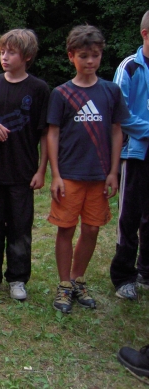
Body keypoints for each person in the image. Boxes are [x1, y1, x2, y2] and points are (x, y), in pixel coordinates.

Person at [47, 25, 128, 314]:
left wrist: (113, 172)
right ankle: (63, 285)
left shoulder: (111, 91)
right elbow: (52, 134)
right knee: (66, 228)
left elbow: (117, 131)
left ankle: (77, 279)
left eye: (95, 55)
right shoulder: (61, 93)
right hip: (69, 174)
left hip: (100, 174)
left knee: (92, 228)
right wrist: (55, 174)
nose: (90, 61)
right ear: (71, 56)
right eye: (83, 56)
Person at [0, 29, 49, 301]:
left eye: (12, 52)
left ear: (27, 56)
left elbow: (45, 133)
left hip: (22, 173)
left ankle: (18, 278)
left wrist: (41, 170)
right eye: (2, 52)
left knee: (20, 229)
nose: (5, 57)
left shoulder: (39, 89)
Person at [110, 10, 149, 301]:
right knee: (129, 216)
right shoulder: (130, 67)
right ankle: (124, 276)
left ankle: (146, 270)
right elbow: (120, 113)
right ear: (145, 34)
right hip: (135, 154)